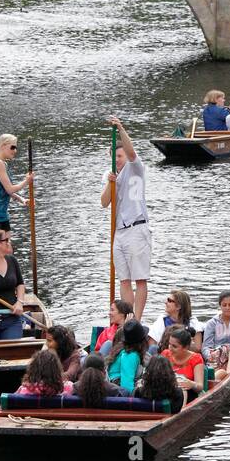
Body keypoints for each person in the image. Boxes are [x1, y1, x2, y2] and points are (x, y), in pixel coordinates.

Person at [101, 116, 151, 320]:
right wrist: (110, 184)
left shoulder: (135, 167)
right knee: (124, 278)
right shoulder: (110, 174)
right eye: (115, 156)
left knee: (139, 278)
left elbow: (131, 153)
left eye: (119, 156)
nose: (118, 159)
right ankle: (127, 318)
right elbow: (104, 202)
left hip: (137, 228)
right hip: (119, 231)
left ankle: (137, 319)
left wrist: (120, 128)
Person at [106, 320, 149, 395]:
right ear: (142, 341)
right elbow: (126, 387)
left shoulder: (123, 348)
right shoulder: (131, 355)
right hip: (118, 387)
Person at [161, 328, 205, 394]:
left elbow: (200, 386)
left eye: (174, 346)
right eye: (169, 344)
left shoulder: (196, 358)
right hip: (167, 390)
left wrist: (192, 384)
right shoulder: (165, 354)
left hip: (188, 393)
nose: (170, 348)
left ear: (186, 347)